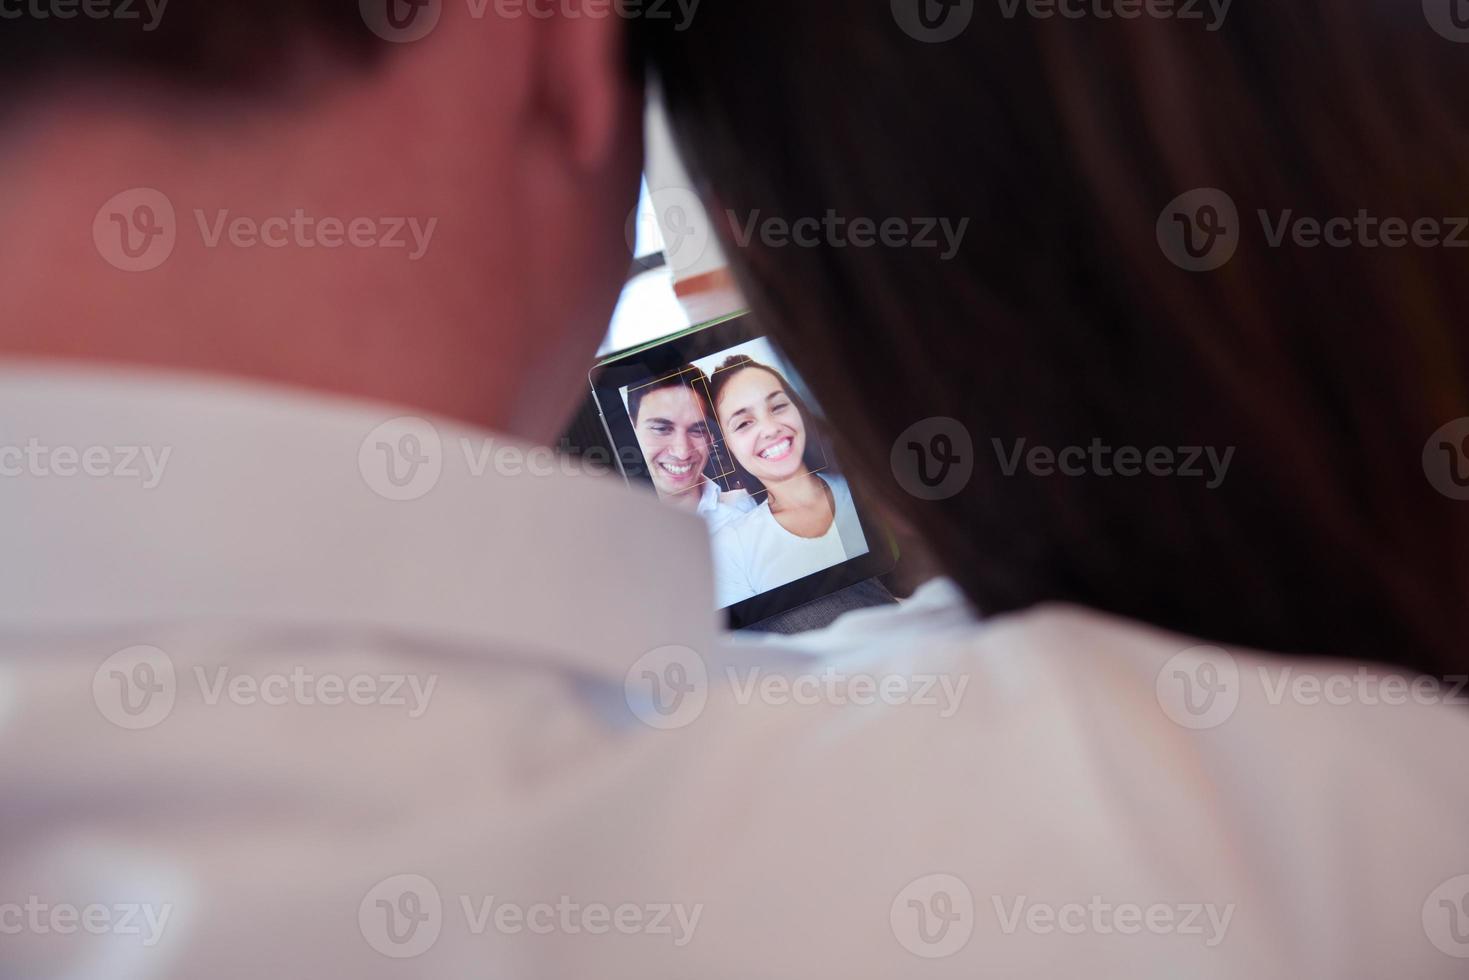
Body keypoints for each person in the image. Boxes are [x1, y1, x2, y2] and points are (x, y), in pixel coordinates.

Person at [707, 355, 867, 604]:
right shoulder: (732, 548)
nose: (771, 429)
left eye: (778, 406)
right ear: (727, 445)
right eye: (744, 423)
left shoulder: (863, 486)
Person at [628, 365, 757, 533]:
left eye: (697, 431)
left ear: (711, 438)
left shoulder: (748, 509)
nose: (682, 453)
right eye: (661, 429)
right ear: (631, 429)